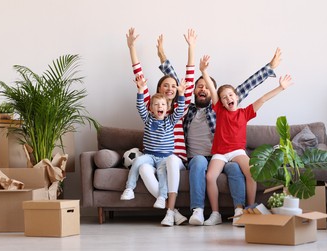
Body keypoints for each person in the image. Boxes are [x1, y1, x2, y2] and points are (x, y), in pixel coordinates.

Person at [158, 45, 282, 226]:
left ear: (213, 93)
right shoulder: (185, 109)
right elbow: (177, 83)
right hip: (200, 157)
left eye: (206, 87)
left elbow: (248, 85)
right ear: (193, 90)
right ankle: (198, 211)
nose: (202, 89)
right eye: (199, 86)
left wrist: (269, 67)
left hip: (223, 156)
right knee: (200, 162)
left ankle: (240, 210)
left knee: (234, 169)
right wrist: (163, 58)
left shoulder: (220, 108)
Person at [200, 55, 293, 226]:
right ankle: (215, 213)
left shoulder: (245, 113)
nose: (228, 99)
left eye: (230, 95)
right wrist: (204, 71)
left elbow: (263, 99)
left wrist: (281, 87)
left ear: (236, 96)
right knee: (210, 177)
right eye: (224, 97)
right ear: (220, 102)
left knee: (252, 173)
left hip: (237, 151)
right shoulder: (219, 110)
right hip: (220, 152)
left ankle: (250, 208)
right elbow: (212, 90)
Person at [120, 27, 196, 226]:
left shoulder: (181, 107)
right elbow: (139, 77)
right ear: (159, 91)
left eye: (173, 85)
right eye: (166, 85)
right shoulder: (152, 110)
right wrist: (131, 47)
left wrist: (191, 48)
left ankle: (170, 212)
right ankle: (174, 212)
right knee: (143, 168)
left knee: (170, 161)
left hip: (175, 157)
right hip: (153, 156)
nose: (170, 88)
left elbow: (189, 77)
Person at [129, 74, 186, 218]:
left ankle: (167, 205)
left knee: (162, 173)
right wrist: (141, 90)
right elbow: (140, 107)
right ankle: (173, 212)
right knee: (141, 166)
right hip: (149, 157)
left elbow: (179, 110)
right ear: (151, 108)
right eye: (156, 105)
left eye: (162, 105)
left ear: (167, 108)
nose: (160, 107)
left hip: (165, 159)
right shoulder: (148, 118)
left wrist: (181, 94)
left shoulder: (170, 120)